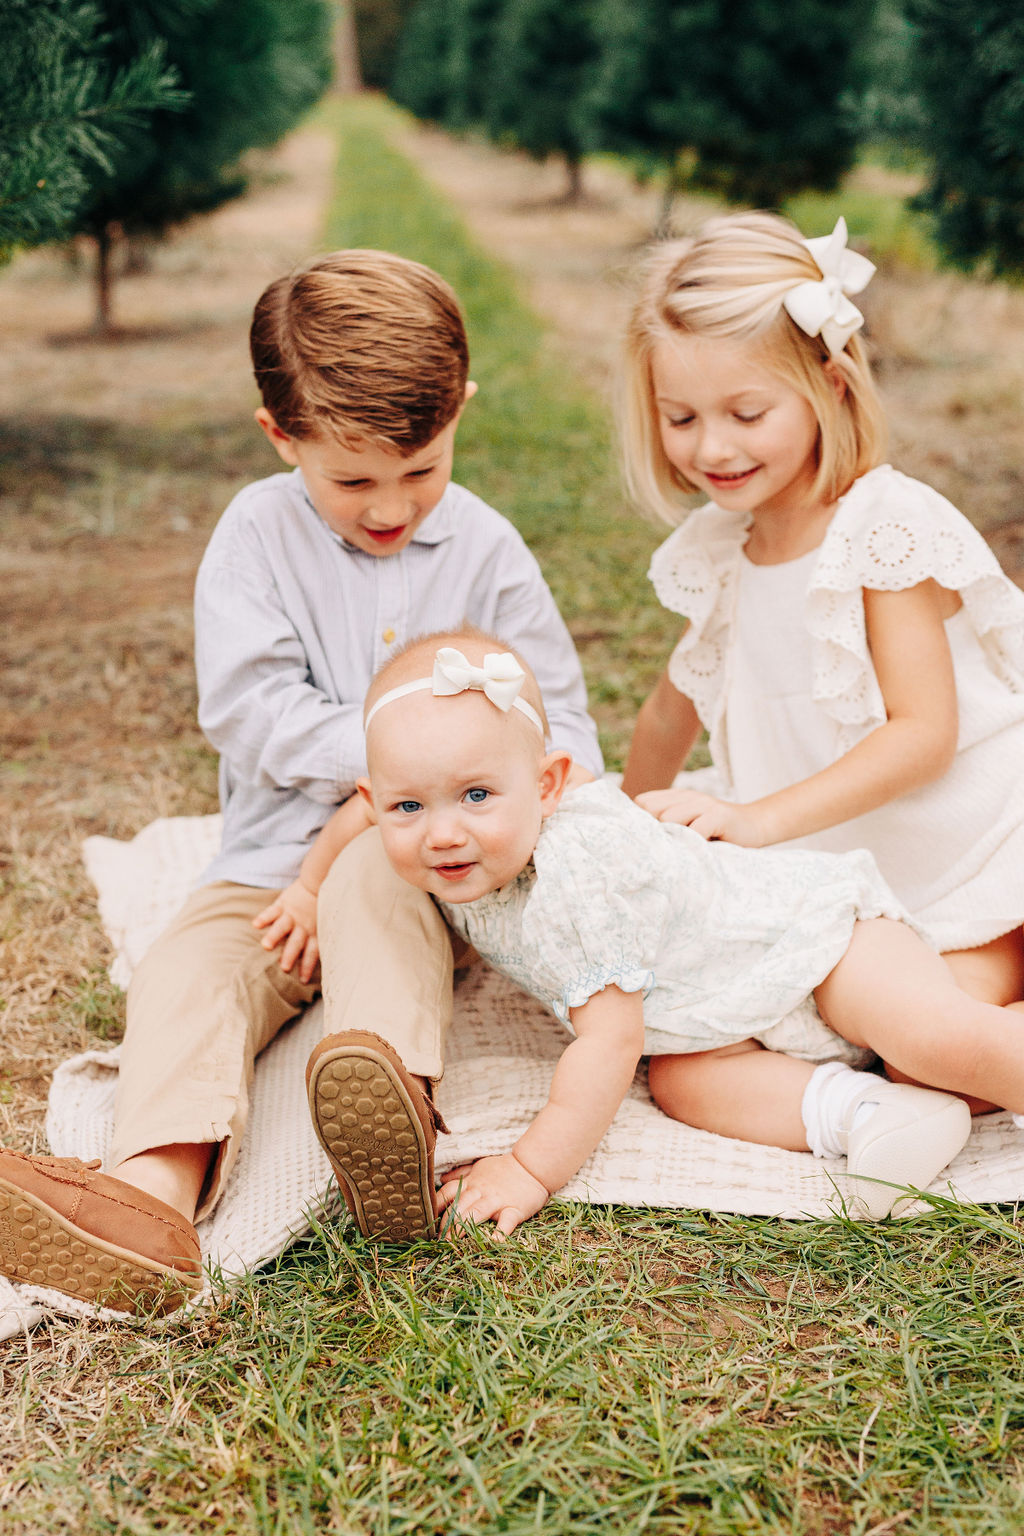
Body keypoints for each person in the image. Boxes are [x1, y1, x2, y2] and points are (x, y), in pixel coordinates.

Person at [0, 251, 601, 1313]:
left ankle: (388, 1111)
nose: (391, 506)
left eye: (420, 471)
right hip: (273, 862)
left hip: (428, 867)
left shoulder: (490, 552)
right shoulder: (255, 536)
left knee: (379, 883)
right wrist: (394, 760)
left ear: (459, 410)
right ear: (281, 437)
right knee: (192, 970)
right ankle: (154, 1193)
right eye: (353, 480)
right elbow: (250, 711)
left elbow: (559, 712)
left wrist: (471, 799)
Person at [309, 626, 1024, 1237]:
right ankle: (871, 1111)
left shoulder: (576, 875)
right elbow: (357, 818)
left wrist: (529, 1166)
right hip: (709, 1021)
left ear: (550, 785)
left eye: (476, 796)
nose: (443, 833)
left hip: (816, 947)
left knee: (935, 1041)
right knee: (683, 1084)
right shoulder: (445, 829)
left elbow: (611, 1039)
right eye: (410, 806)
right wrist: (308, 886)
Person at [619, 212, 1024, 1038]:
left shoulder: (879, 530)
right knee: (720, 1043)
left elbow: (924, 736)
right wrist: (621, 854)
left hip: (966, 858)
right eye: (682, 417)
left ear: (828, 390)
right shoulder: (725, 546)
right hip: (838, 868)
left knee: (923, 1041)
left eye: (745, 411)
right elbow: (671, 710)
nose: (713, 447)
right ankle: (887, 1090)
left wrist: (760, 822)